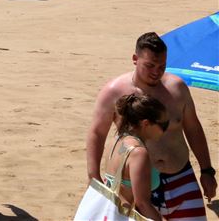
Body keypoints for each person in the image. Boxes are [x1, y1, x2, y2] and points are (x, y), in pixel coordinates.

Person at [86, 32, 215, 220]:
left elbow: (193, 128)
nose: (156, 71)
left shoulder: (177, 88)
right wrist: (93, 176)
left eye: (162, 66)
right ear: (135, 59)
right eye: (150, 65)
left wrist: (206, 170)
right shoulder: (114, 91)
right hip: (133, 186)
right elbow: (97, 133)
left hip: (180, 176)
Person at [99, 92, 169, 221]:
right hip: (124, 216)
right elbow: (142, 203)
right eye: (164, 125)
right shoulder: (138, 153)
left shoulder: (116, 141)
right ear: (146, 124)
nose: (166, 130)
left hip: (109, 213)